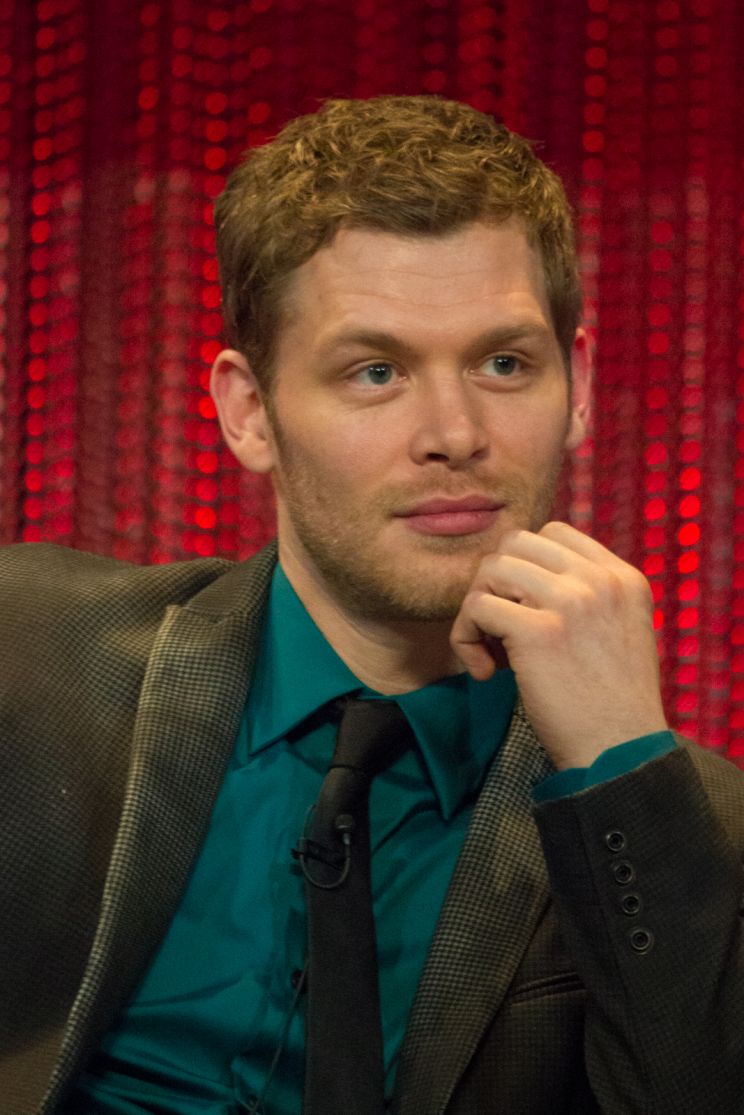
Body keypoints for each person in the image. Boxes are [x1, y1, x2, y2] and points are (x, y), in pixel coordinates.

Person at [2, 95, 744, 1115]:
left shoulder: (686, 821)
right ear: (249, 412)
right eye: (377, 371)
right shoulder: (30, 652)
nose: (454, 432)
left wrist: (622, 768)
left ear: (576, 387)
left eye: (503, 363)